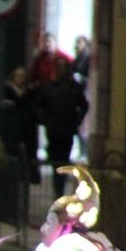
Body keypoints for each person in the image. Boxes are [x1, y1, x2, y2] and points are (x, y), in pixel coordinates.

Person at [35, 59, 88, 194]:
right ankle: (58, 191)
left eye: (64, 67)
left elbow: (84, 105)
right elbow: (39, 106)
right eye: (59, 67)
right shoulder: (49, 87)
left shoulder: (73, 87)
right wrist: (46, 121)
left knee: (63, 162)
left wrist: (76, 121)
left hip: (67, 130)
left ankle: (60, 191)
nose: (62, 70)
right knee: (55, 162)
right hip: (53, 131)